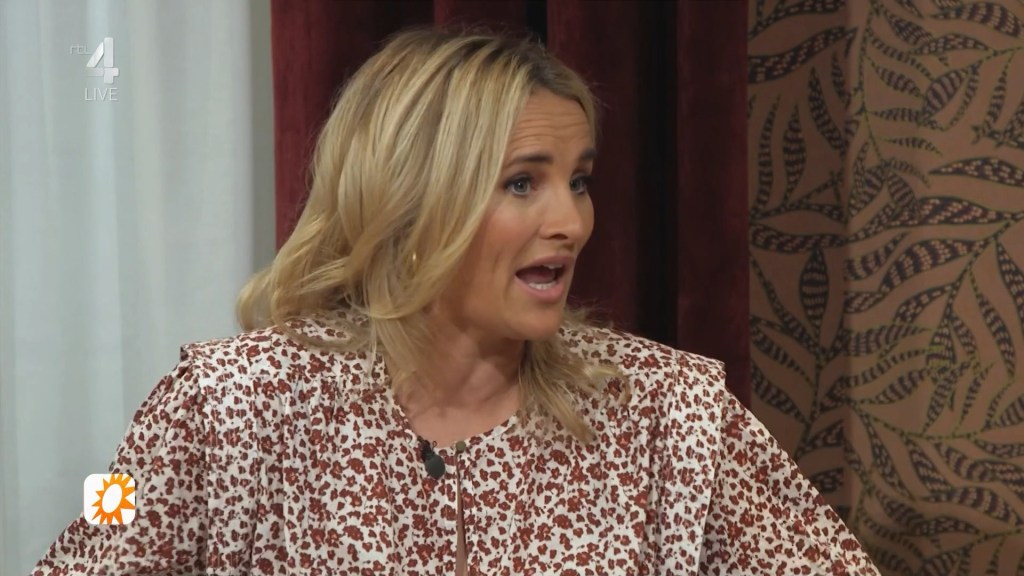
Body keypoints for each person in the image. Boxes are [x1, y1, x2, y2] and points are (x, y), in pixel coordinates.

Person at [34, 28, 880, 576]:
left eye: (579, 181)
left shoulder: (674, 412)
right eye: (522, 183)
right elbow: (87, 547)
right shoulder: (218, 404)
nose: (571, 222)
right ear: (410, 202)